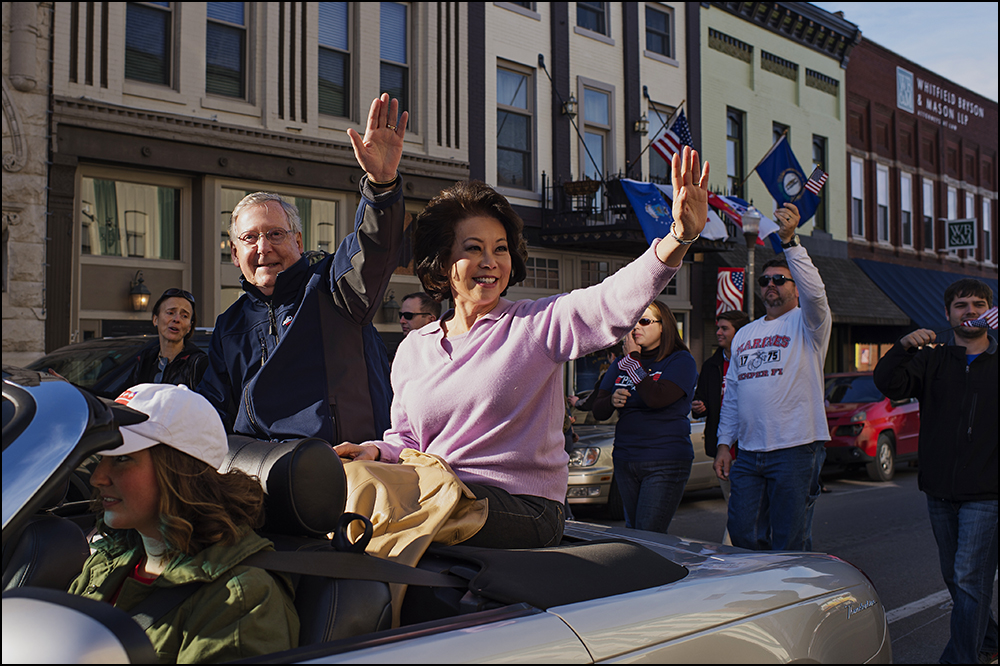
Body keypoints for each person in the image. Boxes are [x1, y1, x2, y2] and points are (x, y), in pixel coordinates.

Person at [335, 146, 711, 549]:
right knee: (350, 493)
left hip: (524, 508)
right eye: (473, 248)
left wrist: (680, 237)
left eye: (500, 249)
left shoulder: (536, 324)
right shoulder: (414, 348)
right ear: (443, 262)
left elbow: (612, 299)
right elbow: (407, 442)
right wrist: (374, 452)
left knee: (400, 513)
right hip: (438, 497)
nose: (490, 261)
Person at [197, 93, 407, 445]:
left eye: (275, 234)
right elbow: (214, 409)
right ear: (234, 253)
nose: (263, 248)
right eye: (250, 238)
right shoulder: (229, 326)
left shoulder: (333, 289)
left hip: (342, 470)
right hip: (261, 473)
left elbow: (373, 251)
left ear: (297, 240)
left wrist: (381, 188)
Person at [68, 383, 299, 663]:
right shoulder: (110, 558)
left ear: (179, 472)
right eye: (102, 457)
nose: (98, 477)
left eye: (123, 459)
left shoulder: (239, 599)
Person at [873, 278, 997, 665]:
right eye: (961, 305)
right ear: (948, 314)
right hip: (939, 489)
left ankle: (961, 658)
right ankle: (990, 639)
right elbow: (888, 383)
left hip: (988, 491)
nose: (971, 311)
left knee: (967, 578)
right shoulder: (932, 358)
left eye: (979, 304)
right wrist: (904, 347)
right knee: (954, 577)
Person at [713, 202, 831, 552]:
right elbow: (733, 392)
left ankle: (796, 599)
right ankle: (762, 593)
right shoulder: (746, 333)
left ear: (794, 287)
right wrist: (724, 443)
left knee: (790, 539)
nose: (771, 286)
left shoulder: (810, 323)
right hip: (749, 451)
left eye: (780, 280)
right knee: (743, 530)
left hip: (795, 448)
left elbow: (816, 293)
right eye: (765, 281)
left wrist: (791, 242)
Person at [590, 301, 698, 533]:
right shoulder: (621, 364)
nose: (635, 328)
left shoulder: (680, 360)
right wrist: (611, 400)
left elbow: (656, 398)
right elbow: (598, 410)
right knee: (634, 532)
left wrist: (633, 363)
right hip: (627, 458)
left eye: (644, 321)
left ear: (663, 327)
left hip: (664, 458)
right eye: (632, 322)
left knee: (649, 534)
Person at [691, 308, 749, 543]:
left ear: (740, 332)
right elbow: (701, 398)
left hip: (748, 444)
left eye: (724, 328)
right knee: (733, 503)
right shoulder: (711, 365)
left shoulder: (749, 361)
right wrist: (699, 407)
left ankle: (734, 548)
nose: (718, 333)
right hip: (723, 446)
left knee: (744, 503)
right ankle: (736, 547)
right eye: (718, 328)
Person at [128, 288, 208, 390]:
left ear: (189, 327)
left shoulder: (200, 364)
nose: (176, 319)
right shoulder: (146, 360)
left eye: (184, 316)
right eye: (170, 313)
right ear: (155, 319)